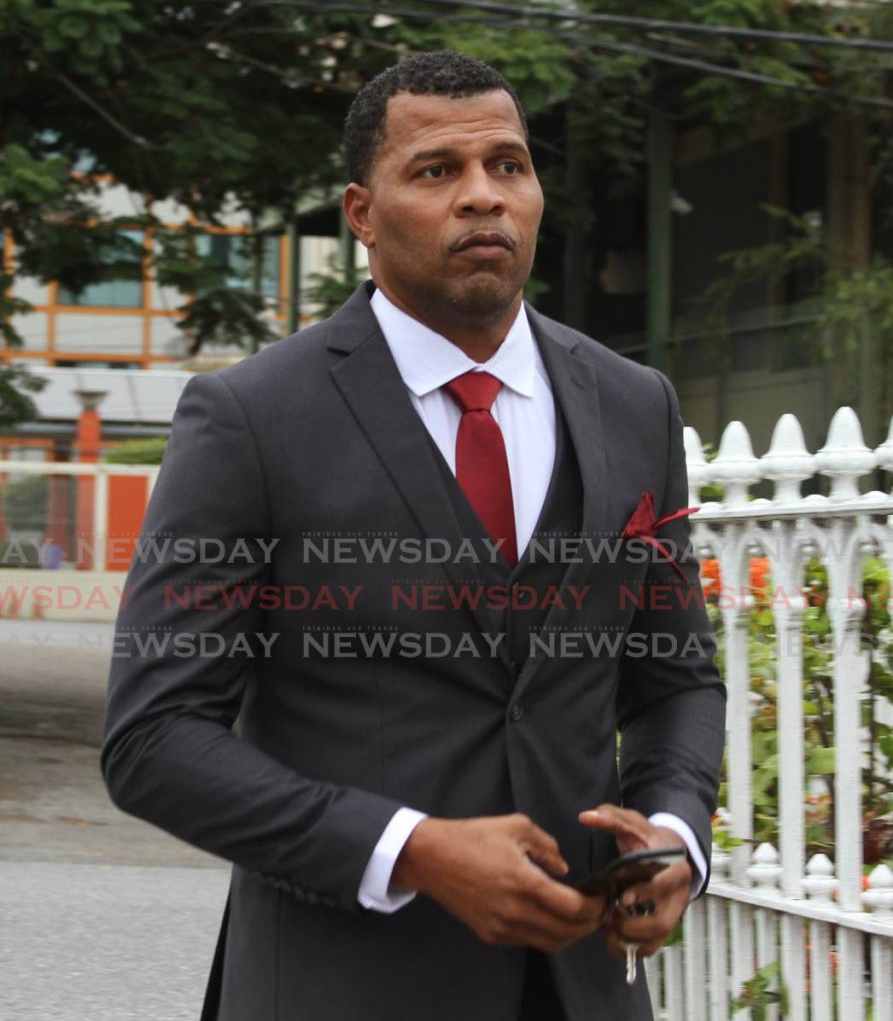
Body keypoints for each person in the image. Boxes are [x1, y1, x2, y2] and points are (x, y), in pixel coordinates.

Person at [101, 51, 726, 1021]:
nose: (482, 197)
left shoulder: (632, 405)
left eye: (507, 166)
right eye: (437, 170)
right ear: (361, 212)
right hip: (333, 986)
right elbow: (153, 738)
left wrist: (674, 834)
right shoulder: (250, 418)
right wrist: (410, 848)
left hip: (580, 991)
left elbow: (673, 676)